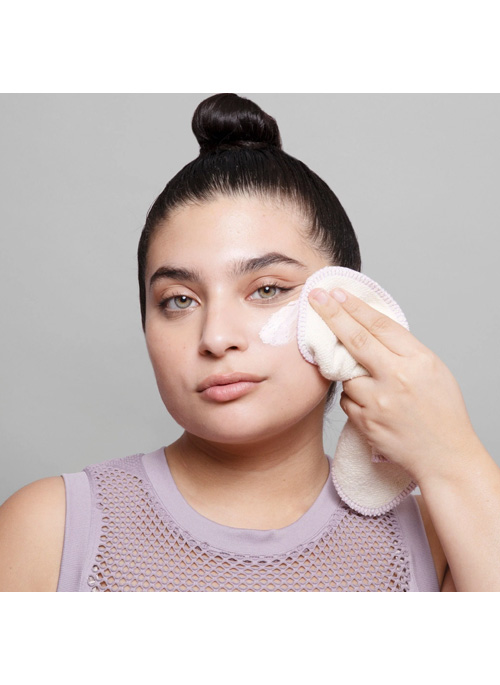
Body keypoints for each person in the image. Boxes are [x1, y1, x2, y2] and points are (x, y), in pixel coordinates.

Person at [1, 93, 499, 592]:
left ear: (350, 303)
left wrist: (455, 457)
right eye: (178, 300)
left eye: (266, 289)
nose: (216, 338)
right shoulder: (53, 529)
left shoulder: (441, 538)